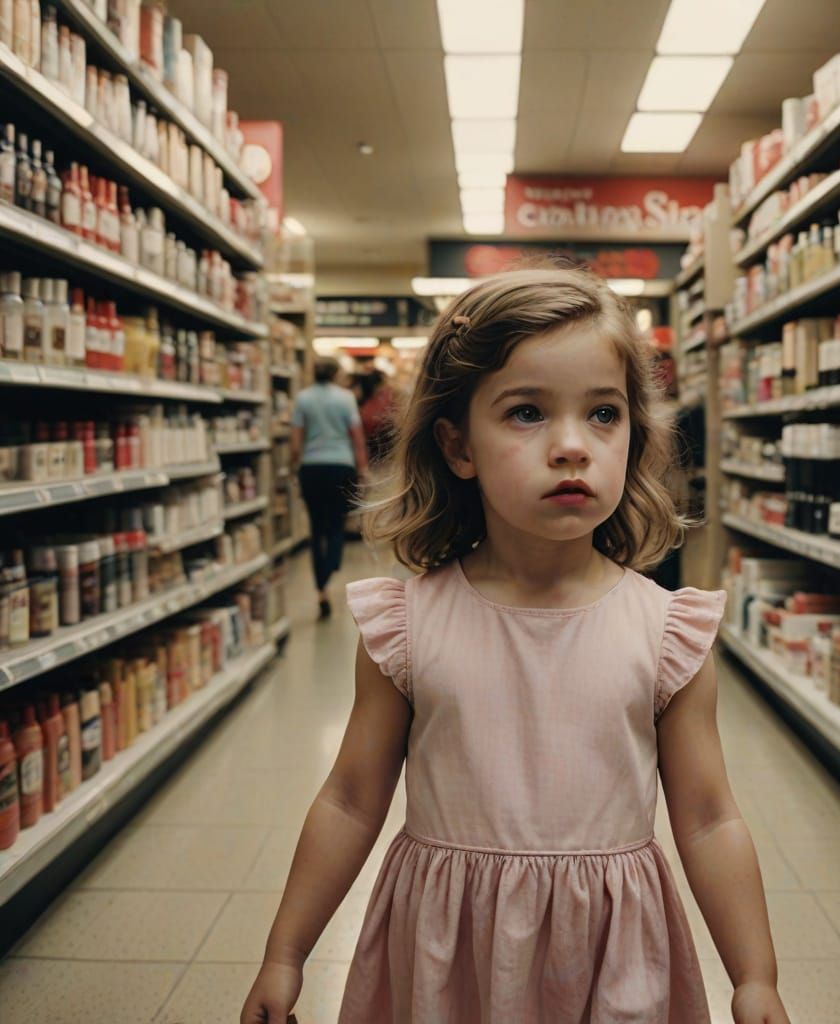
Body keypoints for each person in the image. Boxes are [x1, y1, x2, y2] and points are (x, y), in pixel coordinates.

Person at [244, 267, 790, 1024]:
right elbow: (349, 798)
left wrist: (754, 975)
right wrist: (285, 953)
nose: (572, 446)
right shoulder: (408, 628)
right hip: (447, 955)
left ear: (634, 437)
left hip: (609, 955)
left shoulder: (668, 634)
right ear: (459, 445)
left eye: (603, 413)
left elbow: (707, 816)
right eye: (527, 412)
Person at [290, 356, 369, 619]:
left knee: (316, 527)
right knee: (337, 522)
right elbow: (357, 437)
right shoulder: (346, 398)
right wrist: (362, 469)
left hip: (311, 467)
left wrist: (294, 466)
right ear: (336, 374)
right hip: (340, 466)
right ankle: (332, 565)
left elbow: (296, 440)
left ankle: (320, 585)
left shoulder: (303, 398)